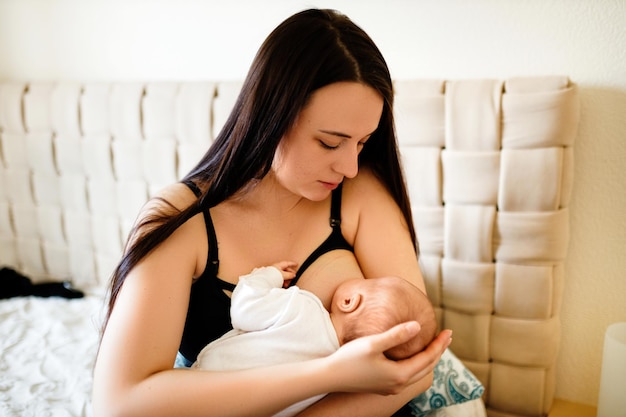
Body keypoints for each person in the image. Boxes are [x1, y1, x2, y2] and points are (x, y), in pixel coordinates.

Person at [92, 8, 452, 417]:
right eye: (330, 143)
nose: (350, 166)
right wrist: (328, 375)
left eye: (363, 142)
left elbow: (418, 364)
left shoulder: (357, 195)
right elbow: (120, 403)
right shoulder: (183, 220)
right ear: (271, 116)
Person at [193, 261, 438, 417]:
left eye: (369, 282)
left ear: (349, 301)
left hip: (206, 388)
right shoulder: (340, 387)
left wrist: (269, 275)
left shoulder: (302, 309)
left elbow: (244, 309)